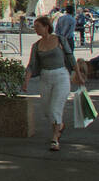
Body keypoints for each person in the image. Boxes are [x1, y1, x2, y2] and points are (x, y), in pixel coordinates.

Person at [23, 15, 79, 152]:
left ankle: (55, 138)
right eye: (35, 27)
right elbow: (31, 65)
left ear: (46, 27)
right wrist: (26, 81)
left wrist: (78, 74)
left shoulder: (60, 40)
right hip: (45, 77)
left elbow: (71, 57)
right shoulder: (36, 46)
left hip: (61, 76)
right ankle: (59, 125)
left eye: (38, 27)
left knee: (55, 108)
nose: (35, 29)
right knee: (47, 110)